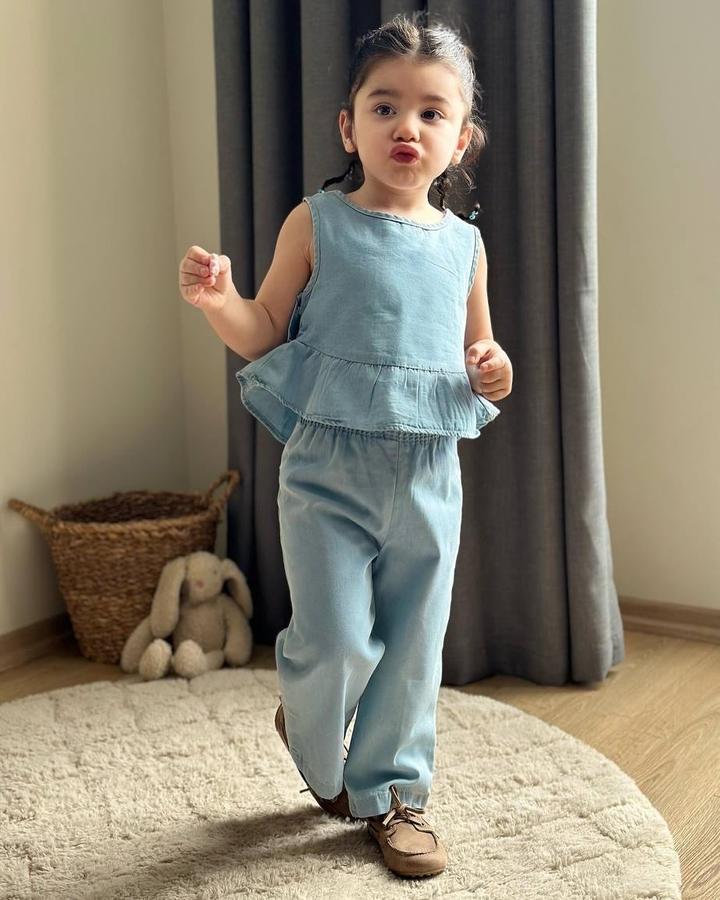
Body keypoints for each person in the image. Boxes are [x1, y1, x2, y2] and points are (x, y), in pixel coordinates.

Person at [179, 10, 513, 880]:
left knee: (413, 643)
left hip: (428, 472)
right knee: (332, 639)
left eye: (432, 113)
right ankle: (310, 720)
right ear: (348, 125)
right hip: (327, 470)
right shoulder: (317, 223)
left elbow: (479, 350)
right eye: (385, 106)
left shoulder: (466, 248)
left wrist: (494, 369)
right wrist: (219, 302)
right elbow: (263, 328)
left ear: (461, 140)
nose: (408, 126)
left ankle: (396, 795)